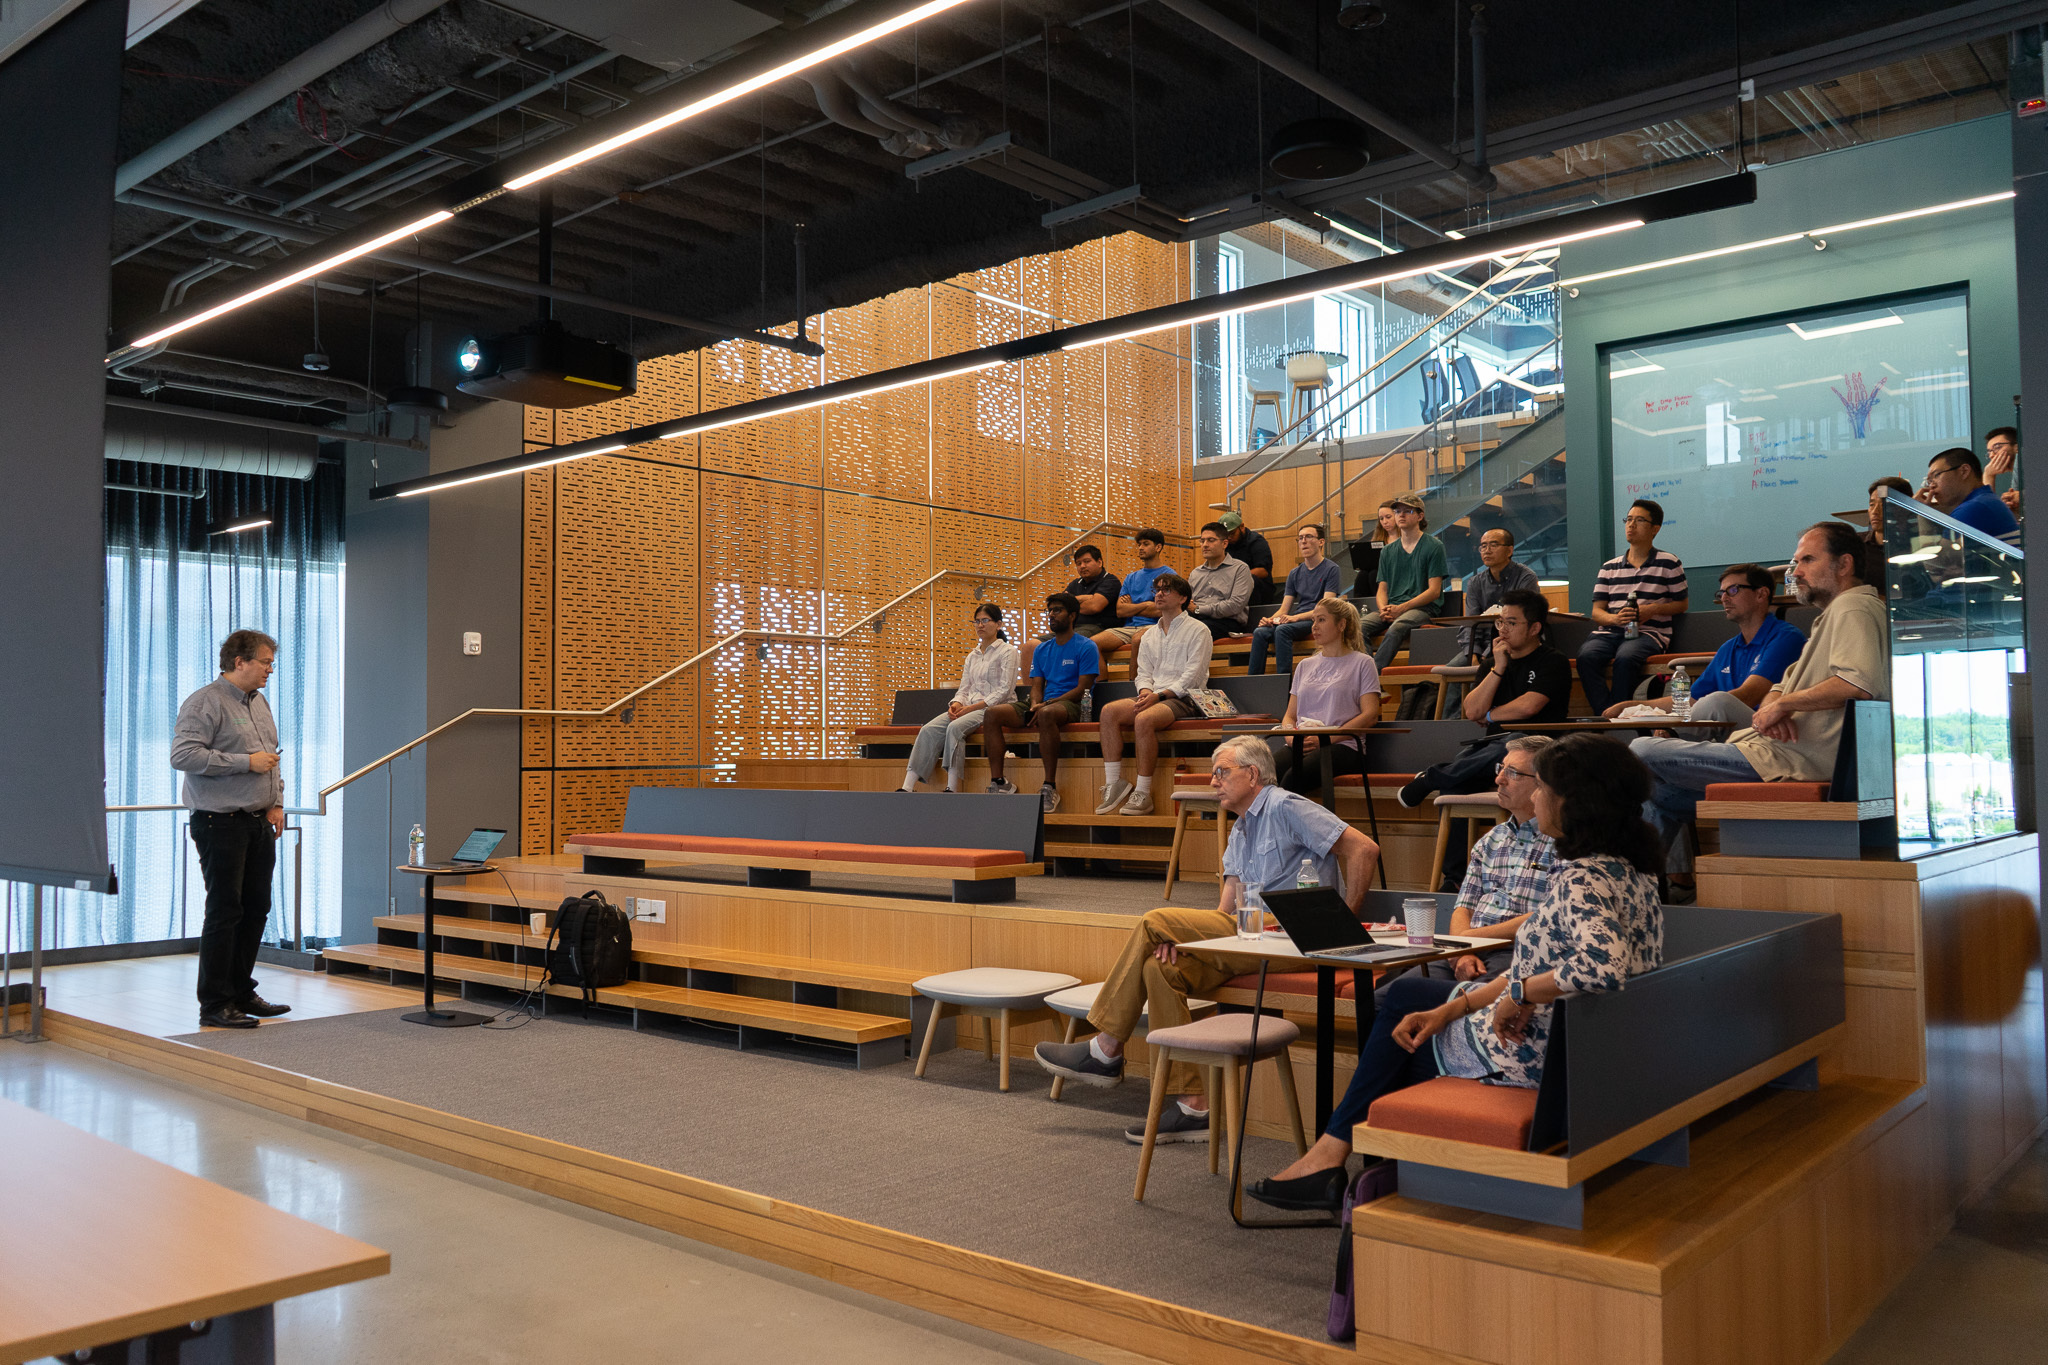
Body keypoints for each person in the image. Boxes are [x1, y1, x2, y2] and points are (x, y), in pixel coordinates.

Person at [1247, 733, 1663, 1212]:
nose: (1536, 795)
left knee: (1398, 1032)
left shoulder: (1581, 876)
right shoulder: (1631, 869)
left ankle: (1345, 1165)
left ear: (1575, 802)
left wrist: (1520, 994)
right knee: (1409, 1009)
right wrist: (1456, 1009)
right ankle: (1361, 1167)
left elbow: (1600, 967)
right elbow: (1565, 965)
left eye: (1543, 786)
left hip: (1544, 1057)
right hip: (1584, 1043)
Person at [1034, 734, 1380, 1141]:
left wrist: (1342, 927)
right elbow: (1225, 910)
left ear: (1252, 775)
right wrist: (1186, 940)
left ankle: (1105, 1048)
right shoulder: (1240, 827)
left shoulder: (1287, 806)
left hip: (1294, 939)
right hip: (1249, 938)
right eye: (1213, 773)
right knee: (1160, 967)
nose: (1213, 781)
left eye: (1222, 772)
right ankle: (1193, 1105)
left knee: (1152, 920)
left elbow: (1364, 850)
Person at [1630, 522, 1888, 888]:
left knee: (1640, 749)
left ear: (1844, 564)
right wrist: (1776, 706)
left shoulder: (1853, 609)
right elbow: (1779, 686)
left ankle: (1627, 887)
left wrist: (1783, 706)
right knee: (1657, 794)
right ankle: (1639, 891)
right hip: (1772, 749)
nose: (1795, 571)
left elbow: (1858, 682)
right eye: (1795, 561)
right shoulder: (1830, 615)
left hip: (1793, 761)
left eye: (1807, 560)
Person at [171, 629, 290, 1030]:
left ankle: (241, 991)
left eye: (271, 663)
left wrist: (276, 803)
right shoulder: (204, 702)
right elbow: (184, 755)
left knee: (256, 908)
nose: (270, 670)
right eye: (265, 662)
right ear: (239, 662)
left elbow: (272, 757)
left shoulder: (259, 703)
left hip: (258, 821)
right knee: (225, 911)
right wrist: (244, 763)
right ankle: (215, 1004)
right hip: (218, 822)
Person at [1397, 589, 1571, 808]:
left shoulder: (1553, 661)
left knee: (1514, 743)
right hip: (1492, 752)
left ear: (1535, 628)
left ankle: (1431, 778)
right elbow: (1471, 711)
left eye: (1512, 623)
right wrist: (1498, 668)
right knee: (1457, 780)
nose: (1503, 629)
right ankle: (1458, 840)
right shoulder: (1491, 664)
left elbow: (1529, 706)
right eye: (1500, 622)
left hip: (1539, 751)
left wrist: (1489, 715)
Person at [1601, 563, 1804, 731]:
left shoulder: (1786, 638)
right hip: (1725, 734)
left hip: (1765, 732)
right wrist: (1633, 705)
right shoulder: (1728, 648)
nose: (1724, 598)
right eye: (1721, 592)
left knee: (1717, 702)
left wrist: (1675, 725)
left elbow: (1749, 696)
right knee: (1645, 748)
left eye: (1733, 590)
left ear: (1761, 594)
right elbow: (1690, 701)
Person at [1094, 574, 1206, 815]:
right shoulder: (1149, 635)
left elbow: (1192, 677)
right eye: (1157, 590)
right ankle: (1114, 783)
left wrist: (1159, 696)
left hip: (1186, 697)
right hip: (1154, 695)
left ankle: (1143, 793)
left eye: (1167, 590)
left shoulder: (1199, 630)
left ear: (1183, 598)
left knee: (1143, 718)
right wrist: (1146, 692)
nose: (1159, 594)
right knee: (1109, 711)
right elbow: (1143, 672)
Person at [1406, 525, 1539, 720]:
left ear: (1509, 550)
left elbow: (1522, 620)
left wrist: (1488, 653)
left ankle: (1482, 719)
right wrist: (1474, 652)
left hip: (1515, 645)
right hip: (1481, 645)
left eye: (1493, 545)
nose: (1487, 550)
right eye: (1483, 546)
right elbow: (1469, 623)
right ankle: (1448, 727)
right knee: (1452, 670)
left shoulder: (1526, 577)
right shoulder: (1476, 582)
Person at [982, 594, 1098, 814]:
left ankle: (1049, 786)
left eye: (1058, 610)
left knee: (1046, 715)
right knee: (992, 714)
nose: (1051, 615)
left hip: (1071, 703)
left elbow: (1083, 688)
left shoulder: (1086, 646)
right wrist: (1036, 703)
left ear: (1072, 616)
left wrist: (1046, 704)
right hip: (1044, 702)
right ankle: (998, 782)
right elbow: (1036, 685)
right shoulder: (1042, 649)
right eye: (1049, 611)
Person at [1577, 499, 1689, 715]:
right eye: (1628, 519)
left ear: (1655, 529)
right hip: (1609, 631)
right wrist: (1614, 619)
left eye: (1639, 520)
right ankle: (1608, 715)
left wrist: (1653, 609)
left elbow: (1682, 604)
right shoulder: (1609, 567)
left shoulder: (1668, 562)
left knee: (1626, 657)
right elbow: (1596, 611)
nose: (1631, 525)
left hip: (1649, 632)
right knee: (1586, 656)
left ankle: (1618, 713)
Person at [898, 605, 1018, 794]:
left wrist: (970, 709)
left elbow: (1004, 690)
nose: (980, 625)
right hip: (969, 707)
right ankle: (907, 787)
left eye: (985, 620)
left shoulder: (1008, 651)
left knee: (955, 727)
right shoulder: (972, 656)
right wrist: (956, 704)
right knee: (928, 730)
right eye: (977, 621)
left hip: (995, 708)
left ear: (999, 624)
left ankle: (951, 788)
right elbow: (964, 689)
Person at [1266, 597, 1381, 794]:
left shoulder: (1363, 663)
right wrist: (1291, 738)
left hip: (1343, 746)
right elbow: (1290, 716)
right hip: (1302, 743)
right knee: (1263, 775)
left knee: (1292, 779)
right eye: (1313, 620)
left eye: (1321, 620)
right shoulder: (1305, 665)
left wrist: (1326, 739)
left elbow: (1370, 715)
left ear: (1341, 624)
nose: (1314, 627)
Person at [1358, 495, 1446, 668]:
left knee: (1397, 628)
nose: (1401, 515)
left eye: (1408, 511)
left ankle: (1373, 677)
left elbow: (1434, 591)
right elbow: (1382, 589)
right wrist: (1384, 608)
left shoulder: (1434, 546)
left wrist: (1402, 608)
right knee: (1358, 627)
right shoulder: (1388, 551)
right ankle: (1367, 673)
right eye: (1398, 511)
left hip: (1422, 609)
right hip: (1393, 606)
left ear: (1420, 516)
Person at [1248, 523, 1341, 675]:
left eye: (1309, 537)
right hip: (1298, 618)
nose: (1303, 541)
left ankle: (1284, 680)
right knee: (1260, 632)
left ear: (1321, 542)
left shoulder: (1331, 569)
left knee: (1283, 630)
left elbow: (1325, 610)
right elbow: (1284, 609)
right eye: (1300, 538)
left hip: (1316, 619)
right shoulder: (1294, 573)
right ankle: (1253, 680)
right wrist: (1269, 620)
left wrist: (1295, 618)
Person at [1091, 528, 1174, 657]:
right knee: (1091, 644)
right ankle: (1103, 678)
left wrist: (1132, 606)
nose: (1140, 547)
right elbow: (1120, 611)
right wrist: (1146, 604)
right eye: (1139, 544)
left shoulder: (1169, 575)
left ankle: (1133, 679)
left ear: (1158, 547)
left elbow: (1161, 610)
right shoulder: (1131, 577)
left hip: (1156, 626)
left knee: (1138, 640)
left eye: (1145, 544)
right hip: (1129, 627)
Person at [1921, 446, 2018, 538]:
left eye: (1936, 475)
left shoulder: (1974, 507)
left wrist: (1921, 512)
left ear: (1964, 471)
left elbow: (1945, 554)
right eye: (1929, 481)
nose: (1932, 486)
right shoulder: (1984, 500)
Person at [1187, 521, 1254, 637]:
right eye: (1202, 541)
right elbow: (1188, 603)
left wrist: (1198, 609)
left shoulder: (1240, 569)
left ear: (1224, 543)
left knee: (1193, 631)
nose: (1205, 545)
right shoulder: (1195, 573)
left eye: (1211, 540)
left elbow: (1235, 605)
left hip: (1227, 621)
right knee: (1167, 628)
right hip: (1197, 619)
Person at [1862, 475, 1914, 587]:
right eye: (1872, 505)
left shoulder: (1917, 543)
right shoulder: (1857, 545)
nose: (1875, 511)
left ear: (1905, 507)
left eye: (1884, 504)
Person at [1218, 510, 1277, 606]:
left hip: (1259, 590)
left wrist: (1235, 577)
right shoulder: (1224, 543)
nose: (1228, 537)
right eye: (1225, 535)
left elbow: (1263, 571)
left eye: (1232, 533)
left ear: (1242, 527)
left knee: (1251, 580)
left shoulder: (1256, 541)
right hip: (1230, 586)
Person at [1063, 544, 1122, 639]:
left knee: (1071, 640)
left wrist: (1072, 602)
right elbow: (1062, 606)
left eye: (1087, 561)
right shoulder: (1075, 583)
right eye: (1078, 563)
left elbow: (1094, 607)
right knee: (1035, 644)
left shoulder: (1110, 581)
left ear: (1099, 562)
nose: (1082, 566)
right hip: (1073, 627)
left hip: (1100, 627)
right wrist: (1088, 598)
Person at [1985, 427, 2021, 518]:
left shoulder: (2021, 460)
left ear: (2017, 447)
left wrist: (1988, 476)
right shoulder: (2016, 473)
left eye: (1997, 447)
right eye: (1989, 452)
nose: (1992, 455)